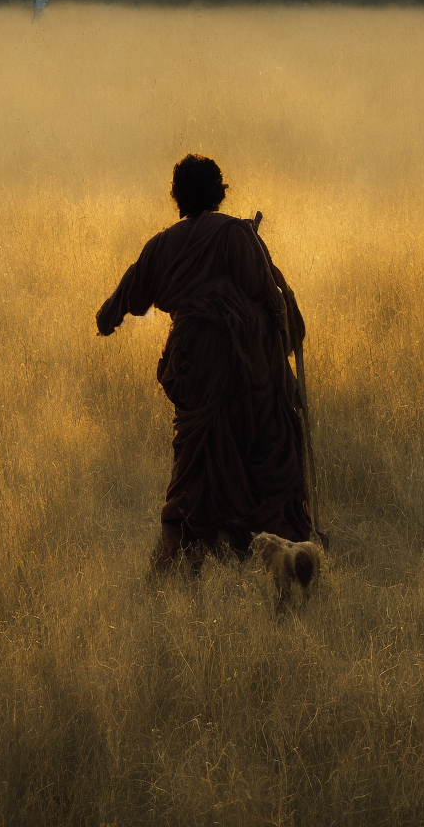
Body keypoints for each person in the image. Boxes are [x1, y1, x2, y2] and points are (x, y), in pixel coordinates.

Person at [95, 154, 312, 575]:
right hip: (249, 367)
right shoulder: (236, 234)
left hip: (195, 365)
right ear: (218, 192)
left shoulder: (162, 245)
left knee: (197, 468)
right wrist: (285, 341)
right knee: (265, 457)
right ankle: (284, 561)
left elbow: (118, 306)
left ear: (177, 195)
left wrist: (107, 317)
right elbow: (271, 300)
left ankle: (179, 566)